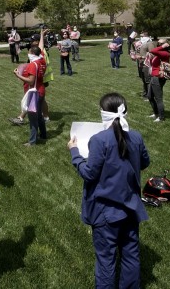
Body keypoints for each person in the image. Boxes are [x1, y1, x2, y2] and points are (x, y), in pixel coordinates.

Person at [68, 93, 150, 287]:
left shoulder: (99, 140)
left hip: (106, 211)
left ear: (103, 113)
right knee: (131, 254)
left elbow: (89, 173)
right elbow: (145, 162)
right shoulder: (135, 136)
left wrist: (74, 152)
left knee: (106, 258)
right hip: (130, 206)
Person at [13, 46, 47, 146]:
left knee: (32, 119)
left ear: (31, 53)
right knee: (40, 115)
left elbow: (31, 81)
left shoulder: (33, 65)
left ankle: (32, 142)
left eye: (29, 51)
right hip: (41, 91)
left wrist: (17, 75)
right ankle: (44, 135)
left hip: (34, 93)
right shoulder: (42, 61)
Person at [147, 38, 170, 123]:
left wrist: (163, 46)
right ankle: (156, 112)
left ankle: (161, 117)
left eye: (161, 44)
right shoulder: (159, 54)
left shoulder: (165, 53)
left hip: (158, 77)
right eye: (158, 43)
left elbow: (153, 50)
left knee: (158, 98)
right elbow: (154, 62)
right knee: (150, 96)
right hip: (154, 77)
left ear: (165, 45)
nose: (158, 45)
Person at [136, 32, 155, 98]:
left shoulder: (149, 43)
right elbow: (138, 51)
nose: (140, 34)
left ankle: (149, 95)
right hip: (140, 63)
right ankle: (145, 93)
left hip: (147, 64)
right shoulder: (141, 42)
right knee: (143, 79)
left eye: (142, 33)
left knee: (148, 80)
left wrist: (142, 57)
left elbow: (152, 55)